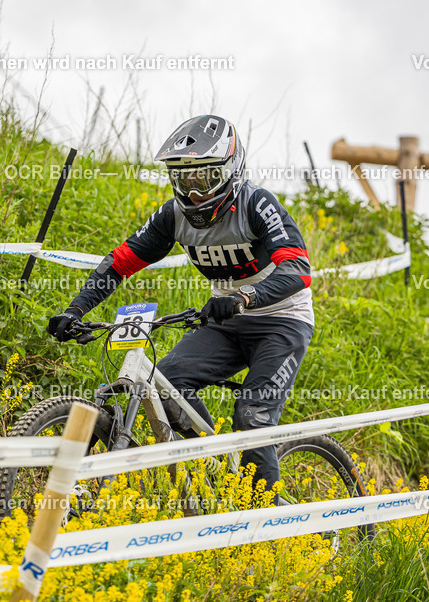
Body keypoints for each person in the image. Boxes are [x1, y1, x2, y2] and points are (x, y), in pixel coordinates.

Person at [47, 114, 314, 497]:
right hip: (229, 317)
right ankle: (215, 468)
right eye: (182, 180)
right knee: (170, 384)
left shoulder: (256, 203)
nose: (192, 193)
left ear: (230, 171)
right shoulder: (173, 215)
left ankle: (268, 526)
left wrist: (245, 297)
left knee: (252, 418)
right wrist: (75, 311)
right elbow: (120, 262)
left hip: (281, 320)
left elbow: (298, 270)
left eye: (202, 179)